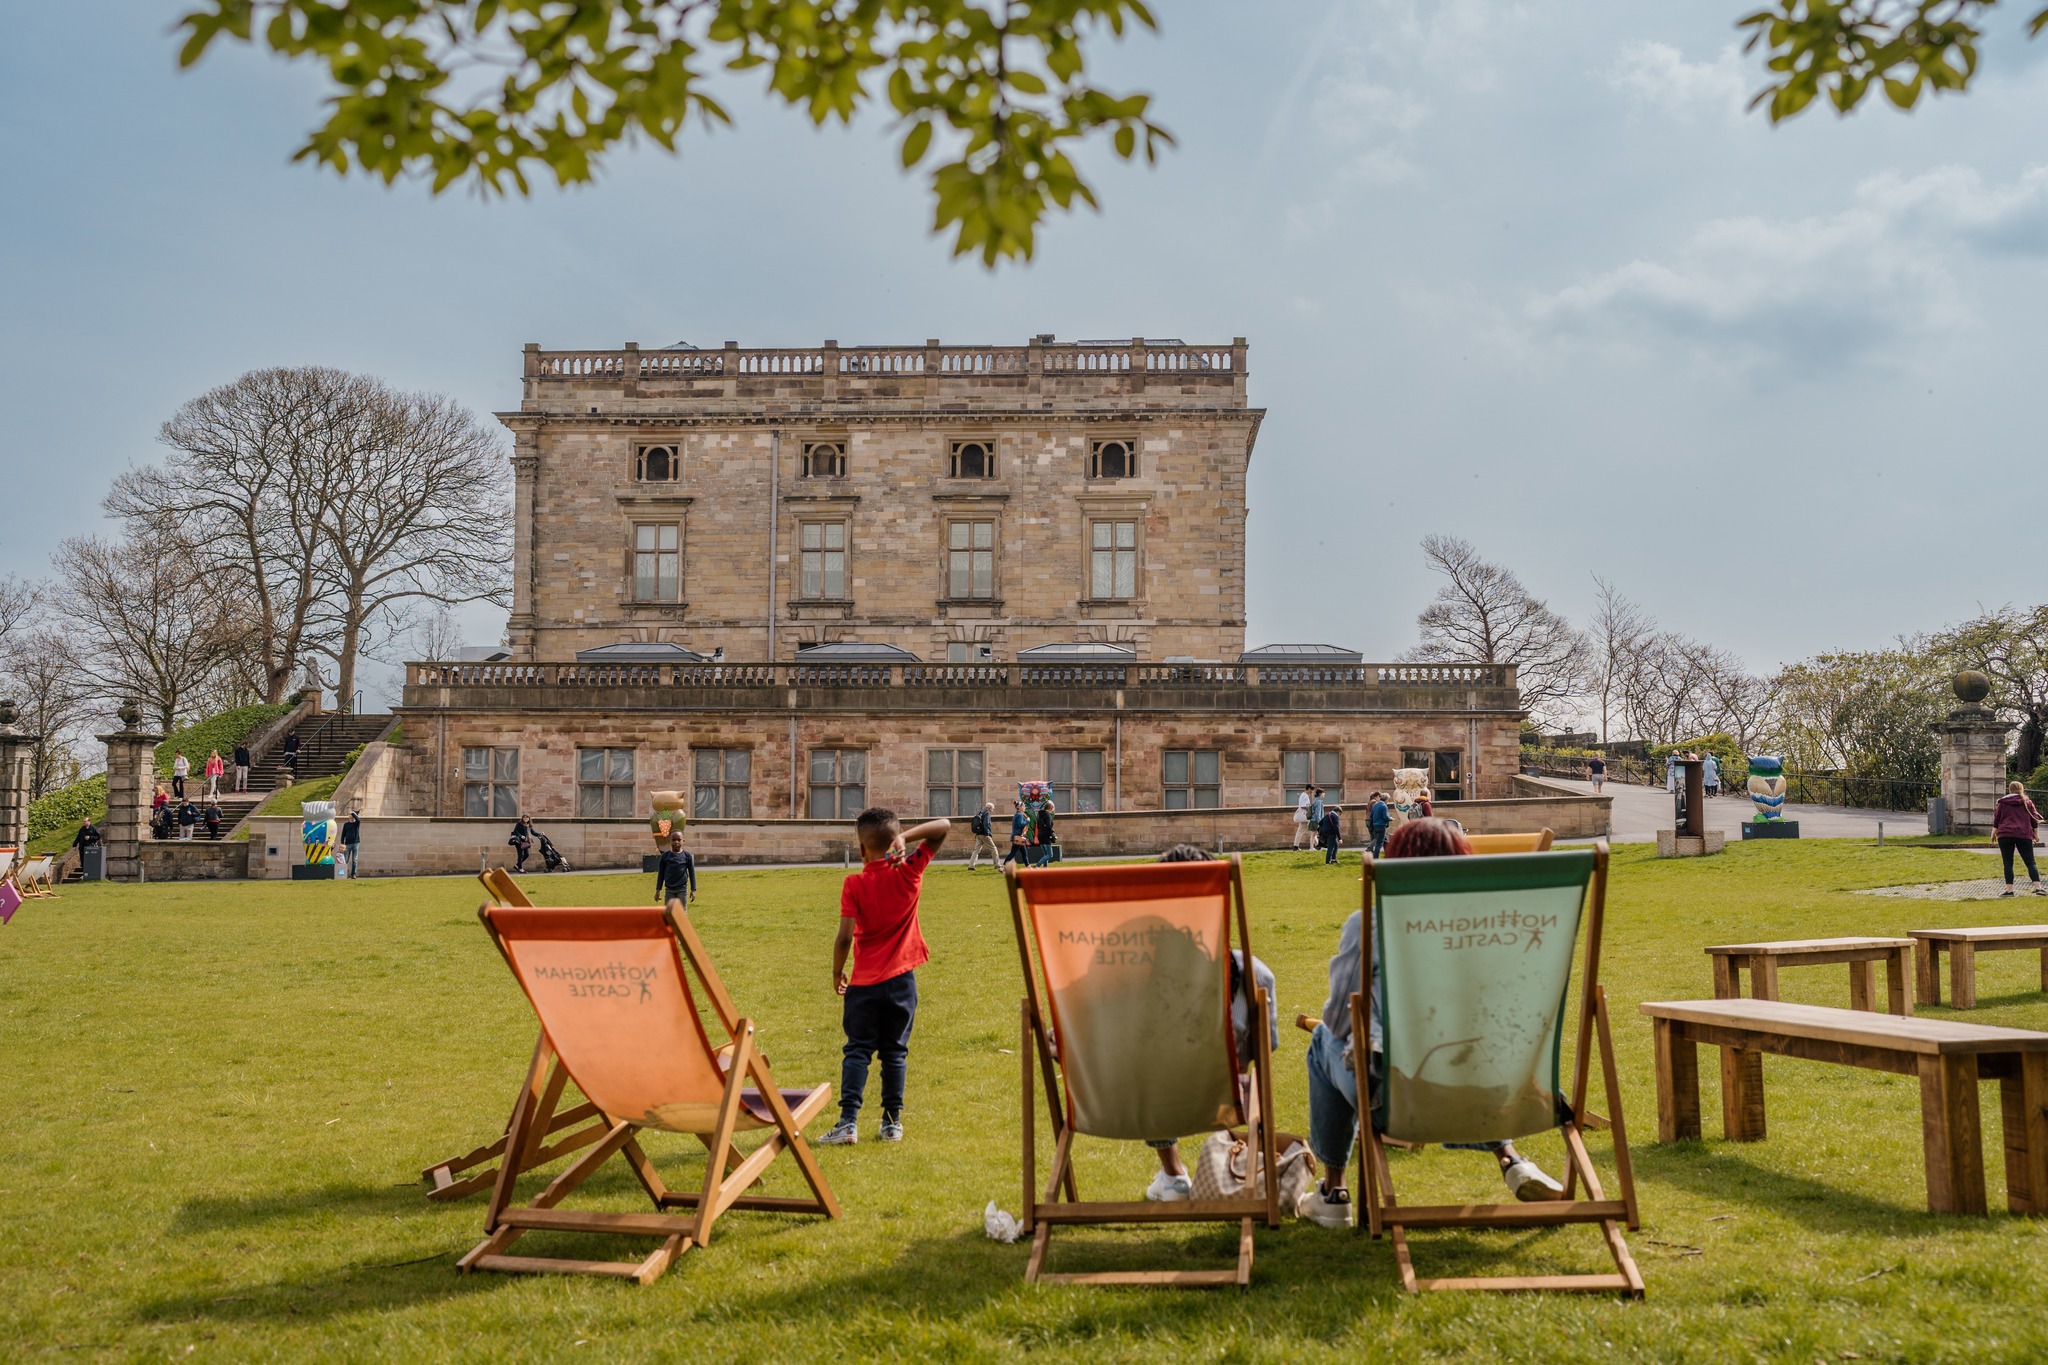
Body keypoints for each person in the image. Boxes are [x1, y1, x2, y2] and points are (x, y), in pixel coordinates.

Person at [1295, 817, 1567, 1229]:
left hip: (1400, 1103)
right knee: (1464, 1064)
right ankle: (1513, 1161)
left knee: (1321, 1041)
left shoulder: (1369, 923)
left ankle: (1334, 1193)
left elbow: (1336, 1020)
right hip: (1499, 1095)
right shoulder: (1495, 927)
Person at [1142, 843, 1281, 1201]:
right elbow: (1263, 1050)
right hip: (1226, 1101)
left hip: (1131, 1104)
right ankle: (1242, 1166)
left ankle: (1172, 1174)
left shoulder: (1126, 977)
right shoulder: (1253, 973)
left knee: (1147, 1069)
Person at [820, 808, 950, 1145]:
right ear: (895, 841)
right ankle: (891, 1124)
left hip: (864, 984)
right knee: (895, 1053)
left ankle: (848, 1122)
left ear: (861, 849)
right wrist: (906, 838)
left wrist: (837, 972)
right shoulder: (910, 871)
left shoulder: (854, 883)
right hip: (903, 982)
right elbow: (943, 826)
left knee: (857, 1051)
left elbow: (845, 937)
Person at [1994, 780, 2045, 898]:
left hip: (2005, 834)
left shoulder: (2002, 803)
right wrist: (2036, 835)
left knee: (2008, 863)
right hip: (2024, 834)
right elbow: (2034, 820)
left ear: (2009, 790)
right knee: (2030, 862)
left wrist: (1993, 834)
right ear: (2022, 789)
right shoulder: (2027, 802)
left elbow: (1996, 820)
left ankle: (2009, 890)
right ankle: (2038, 888)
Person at [654, 827, 697, 905]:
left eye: (679, 840)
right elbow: (661, 874)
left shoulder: (687, 856)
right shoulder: (665, 856)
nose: (676, 842)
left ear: (683, 841)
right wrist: (658, 890)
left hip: (682, 889)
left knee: (682, 912)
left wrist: (693, 890)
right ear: (670, 841)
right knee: (669, 912)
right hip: (669, 889)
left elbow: (692, 873)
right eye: (673, 840)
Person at [967, 802, 1000, 871]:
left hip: (978, 834)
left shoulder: (980, 812)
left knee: (976, 850)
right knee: (993, 848)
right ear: (989, 808)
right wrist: (987, 834)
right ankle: (997, 864)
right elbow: (986, 824)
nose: (992, 810)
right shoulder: (987, 813)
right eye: (992, 809)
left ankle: (971, 866)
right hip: (984, 835)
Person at [1003, 798, 1030, 870]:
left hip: (1018, 836)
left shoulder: (1018, 814)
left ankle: (1028, 866)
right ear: (1020, 807)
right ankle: (1004, 867)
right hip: (1018, 836)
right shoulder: (1019, 815)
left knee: (1024, 852)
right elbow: (1020, 824)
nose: (1024, 808)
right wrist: (1027, 821)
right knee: (1013, 853)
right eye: (1023, 806)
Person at [1034, 798, 1057, 867]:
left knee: (1045, 854)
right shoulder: (1048, 815)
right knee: (1050, 855)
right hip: (1046, 836)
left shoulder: (1039, 815)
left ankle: (1045, 869)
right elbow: (1048, 826)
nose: (1053, 809)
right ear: (1050, 807)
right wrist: (1052, 834)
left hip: (1040, 836)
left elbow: (1037, 826)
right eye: (1053, 807)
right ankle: (1037, 866)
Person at [338, 805, 361, 877]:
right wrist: (342, 844)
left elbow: (358, 820)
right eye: (349, 816)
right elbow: (343, 835)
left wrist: (353, 813)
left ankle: (353, 874)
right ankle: (344, 874)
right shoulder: (346, 824)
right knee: (345, 859)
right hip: (347, 844)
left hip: (356, 843)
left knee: (355, 860)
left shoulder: (356, 824)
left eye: (351, 816)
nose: (350, 817)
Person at [1367, 791, 1391, 857]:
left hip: (1375, 825)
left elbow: (1371, 815)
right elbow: (1385, 817)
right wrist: (1390, 818)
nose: (1388, 801)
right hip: (1381, 825)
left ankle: (1389, 855)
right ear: (1386, 799)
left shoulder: (1375, 805)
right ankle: (1375, 858)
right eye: (1388, 800)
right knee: (1379, 844)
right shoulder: (1384, 806)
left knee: (1385, 841)